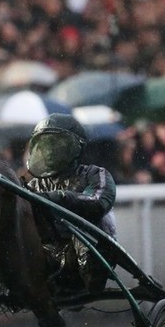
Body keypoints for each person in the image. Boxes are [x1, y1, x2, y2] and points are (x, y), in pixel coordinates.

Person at [25, 113, 117, 294]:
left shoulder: (95, 174)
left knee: (81, 230)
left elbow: (98, 203)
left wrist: (56, 197)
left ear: (76, 146)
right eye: (45, 144)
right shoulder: (33, 185)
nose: (50, 150)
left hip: (92, 255)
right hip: (50, 259)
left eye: (56, 143)